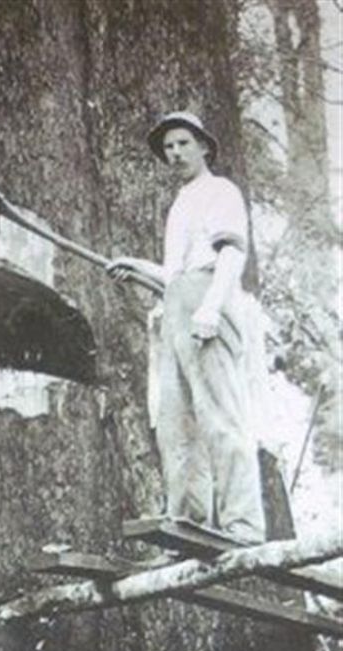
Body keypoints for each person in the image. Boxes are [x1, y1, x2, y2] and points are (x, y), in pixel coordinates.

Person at [107, 111, 265, 543]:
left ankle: (244, 524)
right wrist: (136, 265)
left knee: (221, 417)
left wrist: (211, 309)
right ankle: (190, 523)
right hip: (177, 305)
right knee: (177, 424)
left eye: (183, 143)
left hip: (207, 302)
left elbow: (230, 256)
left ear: (204, 147)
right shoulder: (181, 203)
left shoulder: (220, 191)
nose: (175, 153)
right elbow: (175, 275)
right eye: (168, 148)